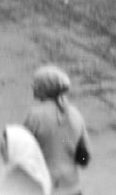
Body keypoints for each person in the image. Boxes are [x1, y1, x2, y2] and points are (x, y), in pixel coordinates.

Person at [23, 65, 90, 194]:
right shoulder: (75, 114)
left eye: (37, 84)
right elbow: (84, 158)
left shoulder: (35, 116)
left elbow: (23, 152)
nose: (33, 86)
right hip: (72, 188)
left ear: (46, 88)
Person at [0, 124, 52, 195]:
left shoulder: (16, 177)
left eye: (3, 150)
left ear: (14, 148)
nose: (1, 156)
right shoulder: (39, 178)